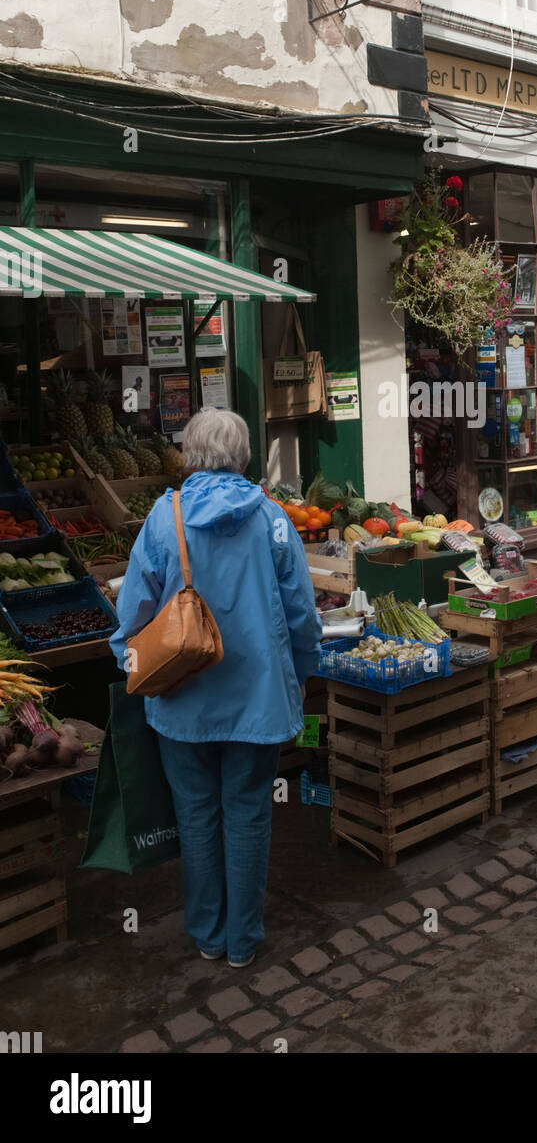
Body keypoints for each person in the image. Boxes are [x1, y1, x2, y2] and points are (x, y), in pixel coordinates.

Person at [109, 408, 321, 968]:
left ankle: (208, 932)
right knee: (249, 812)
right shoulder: (273, 519)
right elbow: (303, 614)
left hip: (182, 698)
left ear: (188, 455)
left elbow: (134, 612)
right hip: (257, 697)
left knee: (196, 814)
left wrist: (128, 665)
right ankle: (243, 942)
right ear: (244, 455)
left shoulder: (164, 516)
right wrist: (299, 675)